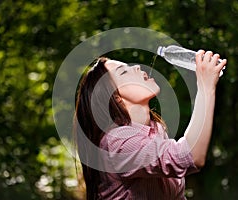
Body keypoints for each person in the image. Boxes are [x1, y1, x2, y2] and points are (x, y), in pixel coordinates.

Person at [74, 50, 227, 199]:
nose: (137, 67)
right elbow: (191, 157)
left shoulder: (156, 130)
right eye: (124, 72)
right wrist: (206, 87)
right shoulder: (118, 143)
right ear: (116, 98)